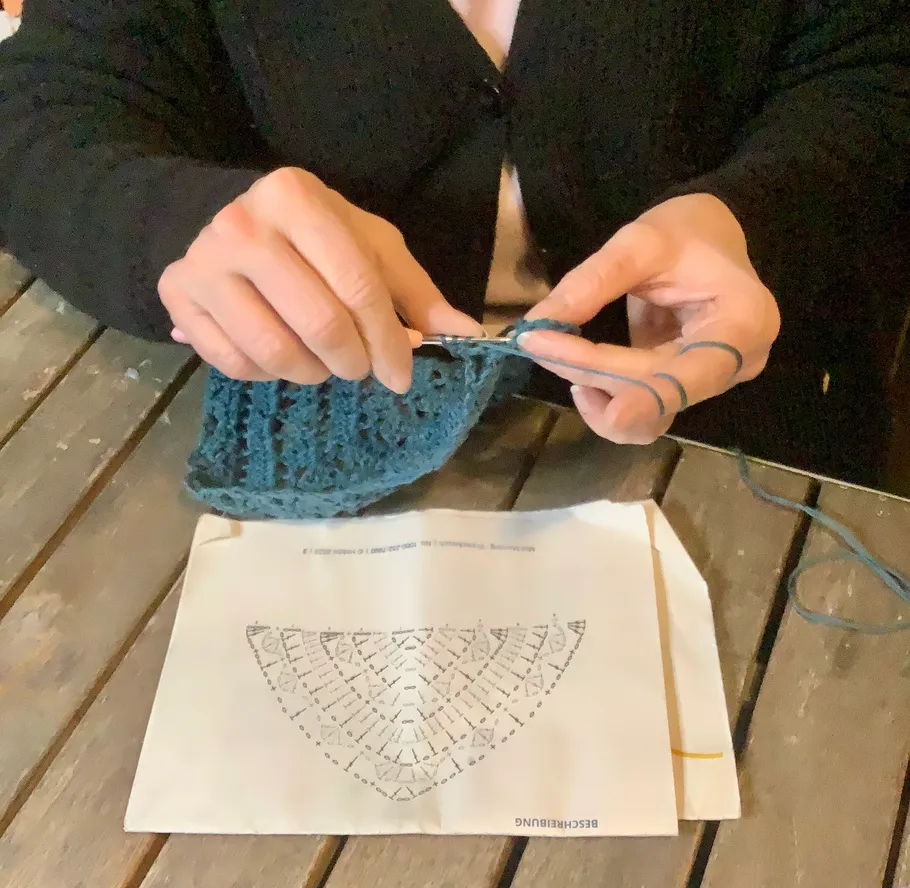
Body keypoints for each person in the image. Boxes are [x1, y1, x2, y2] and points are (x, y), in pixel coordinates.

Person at [0, 0, 907, 485]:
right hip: (299, 433)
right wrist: (172, 221)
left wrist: (760, 217)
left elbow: (876, 72)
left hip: (740, 452)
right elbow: (43, 109)